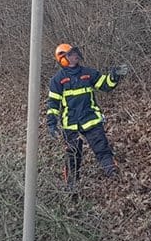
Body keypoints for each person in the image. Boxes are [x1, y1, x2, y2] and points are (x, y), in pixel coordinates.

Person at [46, 44, 128, 193]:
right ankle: (71, 186)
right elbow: (53, 104)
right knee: (72, 156)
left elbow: (105, 85)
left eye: (75, 53)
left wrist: (114, 76)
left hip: (90, 119)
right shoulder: (57, 80)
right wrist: (52, 124)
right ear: (63, 59)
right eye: (71, 54)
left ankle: (113, 173)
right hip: (71, 124)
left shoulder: (88, 73)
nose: (75, 56)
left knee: (102, 148)